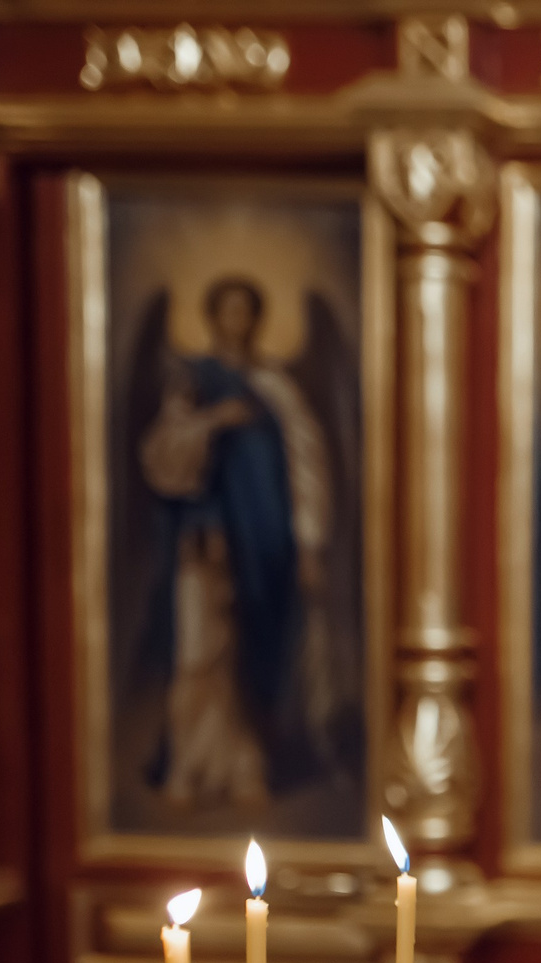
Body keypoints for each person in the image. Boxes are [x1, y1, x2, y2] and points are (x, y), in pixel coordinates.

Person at [137, 276, 337, 806]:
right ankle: (194, 767)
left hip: (267, 541)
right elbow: (163, 455)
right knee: (202, 650)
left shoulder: (275, 386)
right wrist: (212, 423)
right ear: (212, 317)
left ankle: (248, 765)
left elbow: (306, 464)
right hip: (208, 538)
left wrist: (309, 543)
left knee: (254, 652)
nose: (236, 322)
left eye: (246, 312)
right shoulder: (193, 382)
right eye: (226, 311)